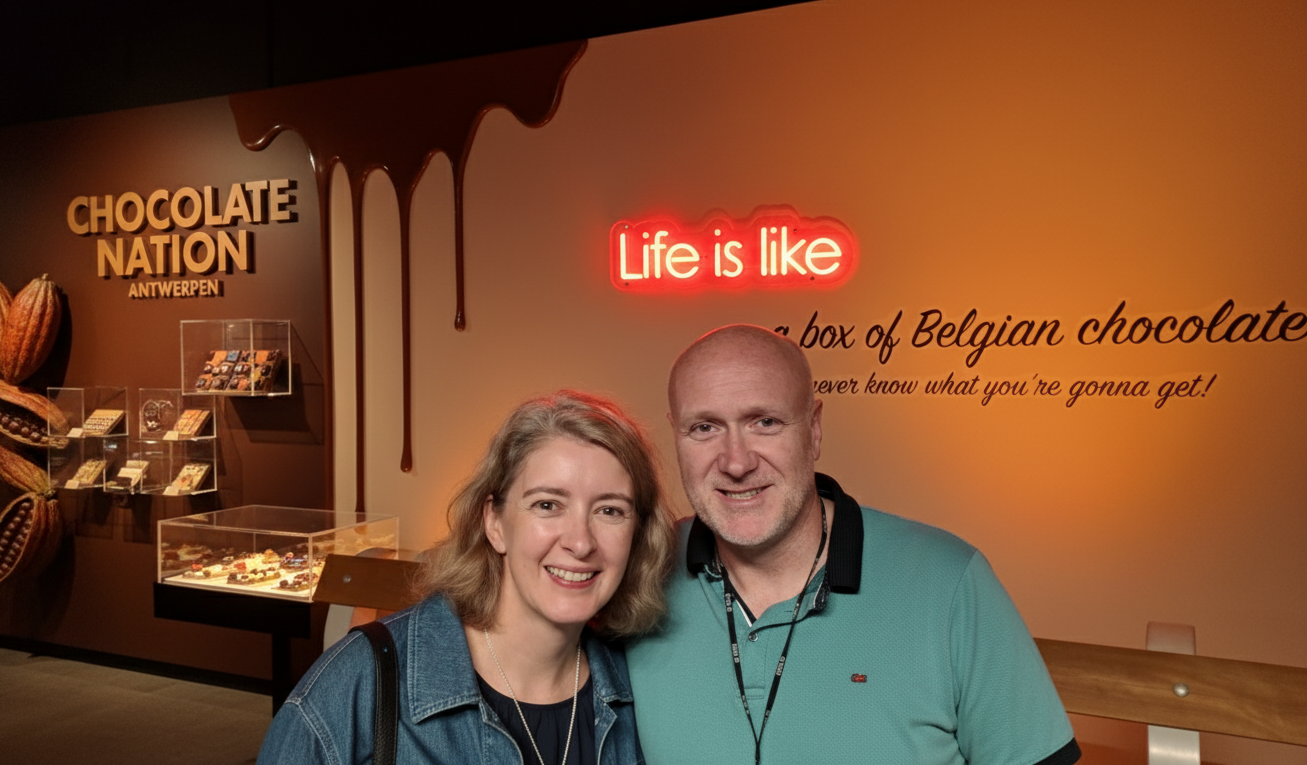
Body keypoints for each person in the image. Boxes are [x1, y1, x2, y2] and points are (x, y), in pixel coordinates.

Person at [626, 325, 1081, 765]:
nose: (736, 462)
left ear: (815, 428)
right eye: (704, 428)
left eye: (765, 422)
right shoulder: (639, 571)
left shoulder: (949, 582)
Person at [259, 390, 677, 765]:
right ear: (494, 522)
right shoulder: (361, 681)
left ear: (637, 534)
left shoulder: (640, 693)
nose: (581, 542)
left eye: (610, 511)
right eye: (548, 505)